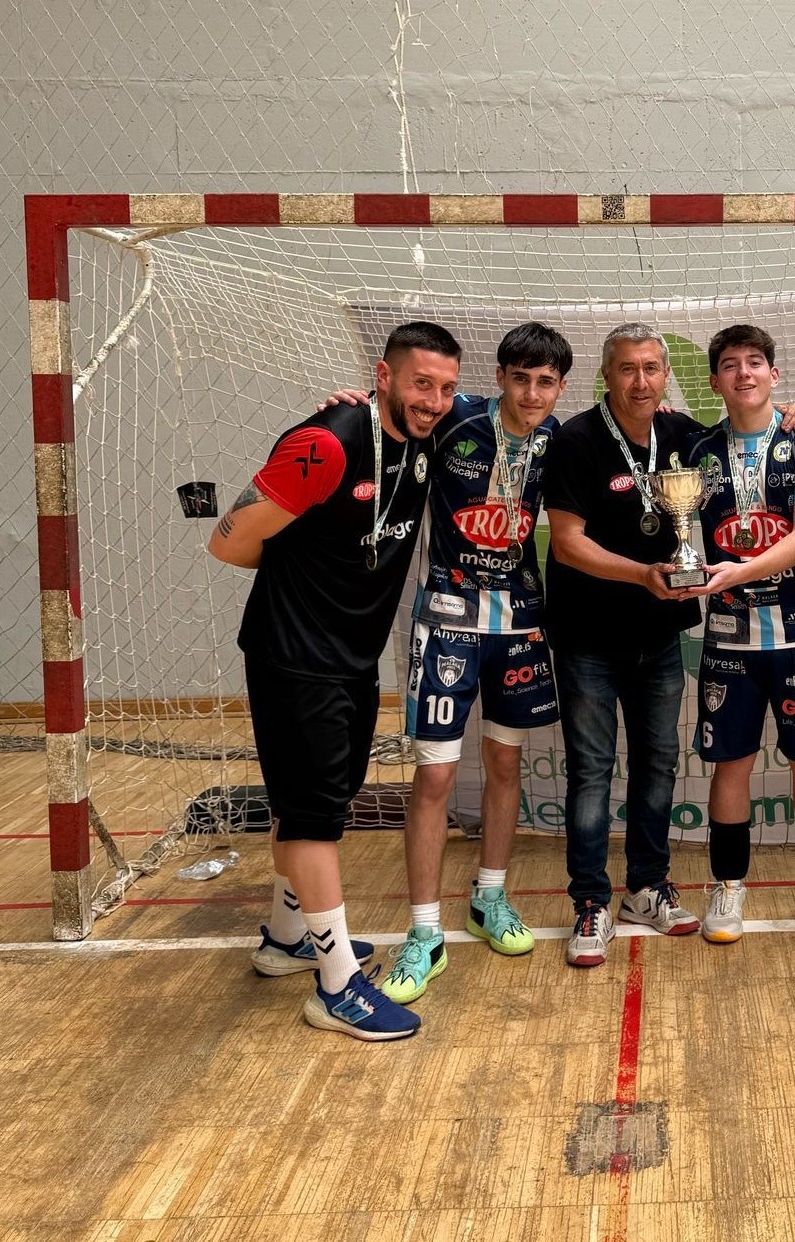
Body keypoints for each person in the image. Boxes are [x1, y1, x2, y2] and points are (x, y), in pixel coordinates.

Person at [208, 321, 461, 1040]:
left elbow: (506, 408)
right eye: (420, 383)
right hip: (295, 656)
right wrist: (297, 576)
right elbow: (227, 542)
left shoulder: (424, 436)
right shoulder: (325, 445)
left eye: (446, 388)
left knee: (318, 800)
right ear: (382, 376)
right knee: (314, 818)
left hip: (350, 657)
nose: (434, 400)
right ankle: (337, 987)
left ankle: (287, 937)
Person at [319, 323, 572, 1003]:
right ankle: (424, 931)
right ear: (500, 377)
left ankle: (490, 897)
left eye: (546, 382)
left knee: (506, 765)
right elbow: (394, 415)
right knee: (434, 777)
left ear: (560, 388)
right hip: (448, 624)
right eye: (520, 379)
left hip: (519, 625)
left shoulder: (560, 438)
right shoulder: (454, 418)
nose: (532, 394)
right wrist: (353, 404)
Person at [544, 323, 706, 966]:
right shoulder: (577, 439)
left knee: (657, 764)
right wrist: (642, 574)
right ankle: (590, 901)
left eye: (651, 368)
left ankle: (646, 887)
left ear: (665, 375)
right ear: (607, 376)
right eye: (628, 369)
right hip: (588, 638)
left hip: (658, 637)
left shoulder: (683, 435)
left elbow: (753, 433)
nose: (641, 381)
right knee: (590, 772)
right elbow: (567, 543)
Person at [680, 324, 795, 942]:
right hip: (730, 641)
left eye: (755, 362)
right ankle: (727, 887)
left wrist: (735, 572)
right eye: (730, 365)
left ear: (774, 374)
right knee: (730, 767)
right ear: (714, 380)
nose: (744, 373)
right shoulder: (695, 450)